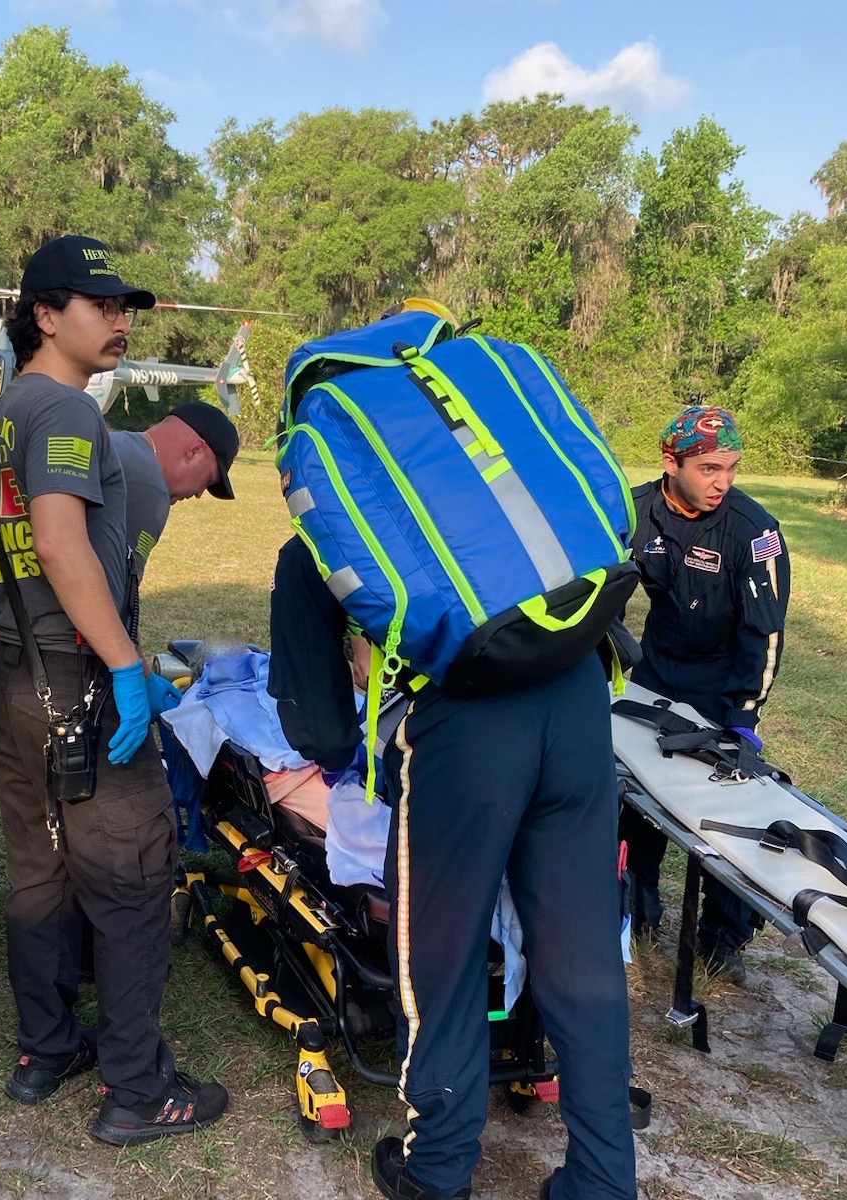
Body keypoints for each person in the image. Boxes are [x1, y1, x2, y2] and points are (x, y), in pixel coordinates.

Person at [269, 463, 636, 1195]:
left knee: (440, 957)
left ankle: (436, 1170)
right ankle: (601, 1180)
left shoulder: (332, 528)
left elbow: (317, 726)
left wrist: (348, 753)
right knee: (584, 959)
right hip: (579, 704)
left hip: (464, 732)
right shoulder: (498, 493)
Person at [0, 233, 229, 1145]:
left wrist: (17, 662)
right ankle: (138, 1090)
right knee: (129, 878)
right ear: (45, 313)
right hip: (78, 681)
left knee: (39, 872)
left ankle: (45, 1050)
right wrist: (120, 667)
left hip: (14, 681)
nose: (119, 322)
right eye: (102, 306)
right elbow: (62, 544)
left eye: (126, 309)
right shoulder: (69, 414)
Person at [621, 405, 790, 985]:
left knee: (727, 813)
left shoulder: (755, 531)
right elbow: (606, 597)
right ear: (671, 461)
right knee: (633, 798)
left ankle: (724, 937)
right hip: (656, 670)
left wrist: (744, 714)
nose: (723, 482)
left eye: (732, 469)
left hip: (722, 682)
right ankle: (634, 911)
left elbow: (763, 633)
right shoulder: (635, 509)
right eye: (711, 468)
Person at [0, 402, 240, 684]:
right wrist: (142, 677)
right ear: (195, 450)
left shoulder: (114, 445)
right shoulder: (148, 486)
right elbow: (118, 603)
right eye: (210, 478)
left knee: (10, 720)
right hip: (30, 627)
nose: (201, 493)